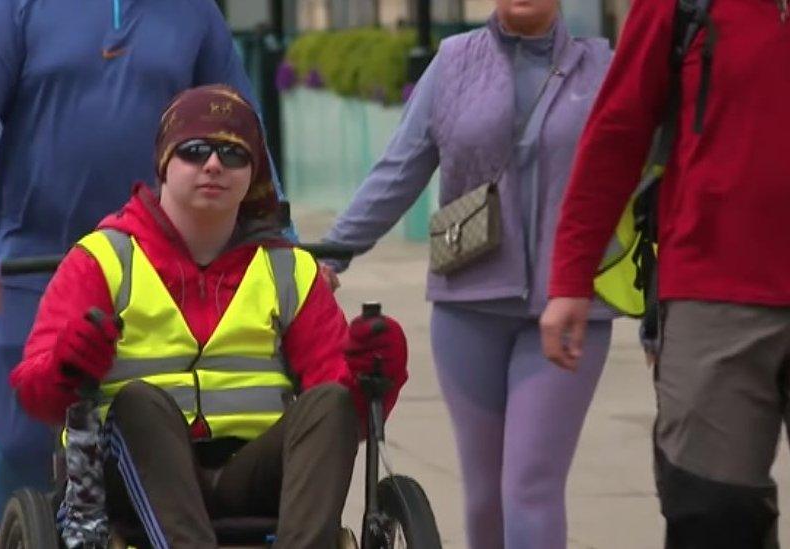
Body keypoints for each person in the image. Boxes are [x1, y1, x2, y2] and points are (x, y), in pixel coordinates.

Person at [9, 85, 408, 548]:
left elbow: (346, 418)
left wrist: (375, 373)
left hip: (253, 474)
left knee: (329, 403)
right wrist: (67, 363)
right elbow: (35, 392)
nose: (214, 165)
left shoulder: (289, 269)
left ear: (252, 173)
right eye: (195, 151)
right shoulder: (101, 259)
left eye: (233, 154)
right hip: (131, 474)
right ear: (164, 163)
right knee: (140, 403)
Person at [0, 0, 293, 522]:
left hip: (155, 257)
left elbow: (243, 123)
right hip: (36, 257)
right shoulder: (14, 8)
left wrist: (280, 237)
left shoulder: (193, 12)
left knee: (160, 426)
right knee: (16, 439)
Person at [321, 1, 614, 547]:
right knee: (483, 495)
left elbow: (643, 173)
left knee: (530, 484)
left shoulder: (602, 67)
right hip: (467, 305)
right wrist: (332, 253)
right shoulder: (454, 62)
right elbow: (399, 168)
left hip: (569, 307)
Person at [541, 0, 790, 546]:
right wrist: (570, 278)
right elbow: (617, 132)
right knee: (712, 513)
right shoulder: (679, 6)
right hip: (713, 291)